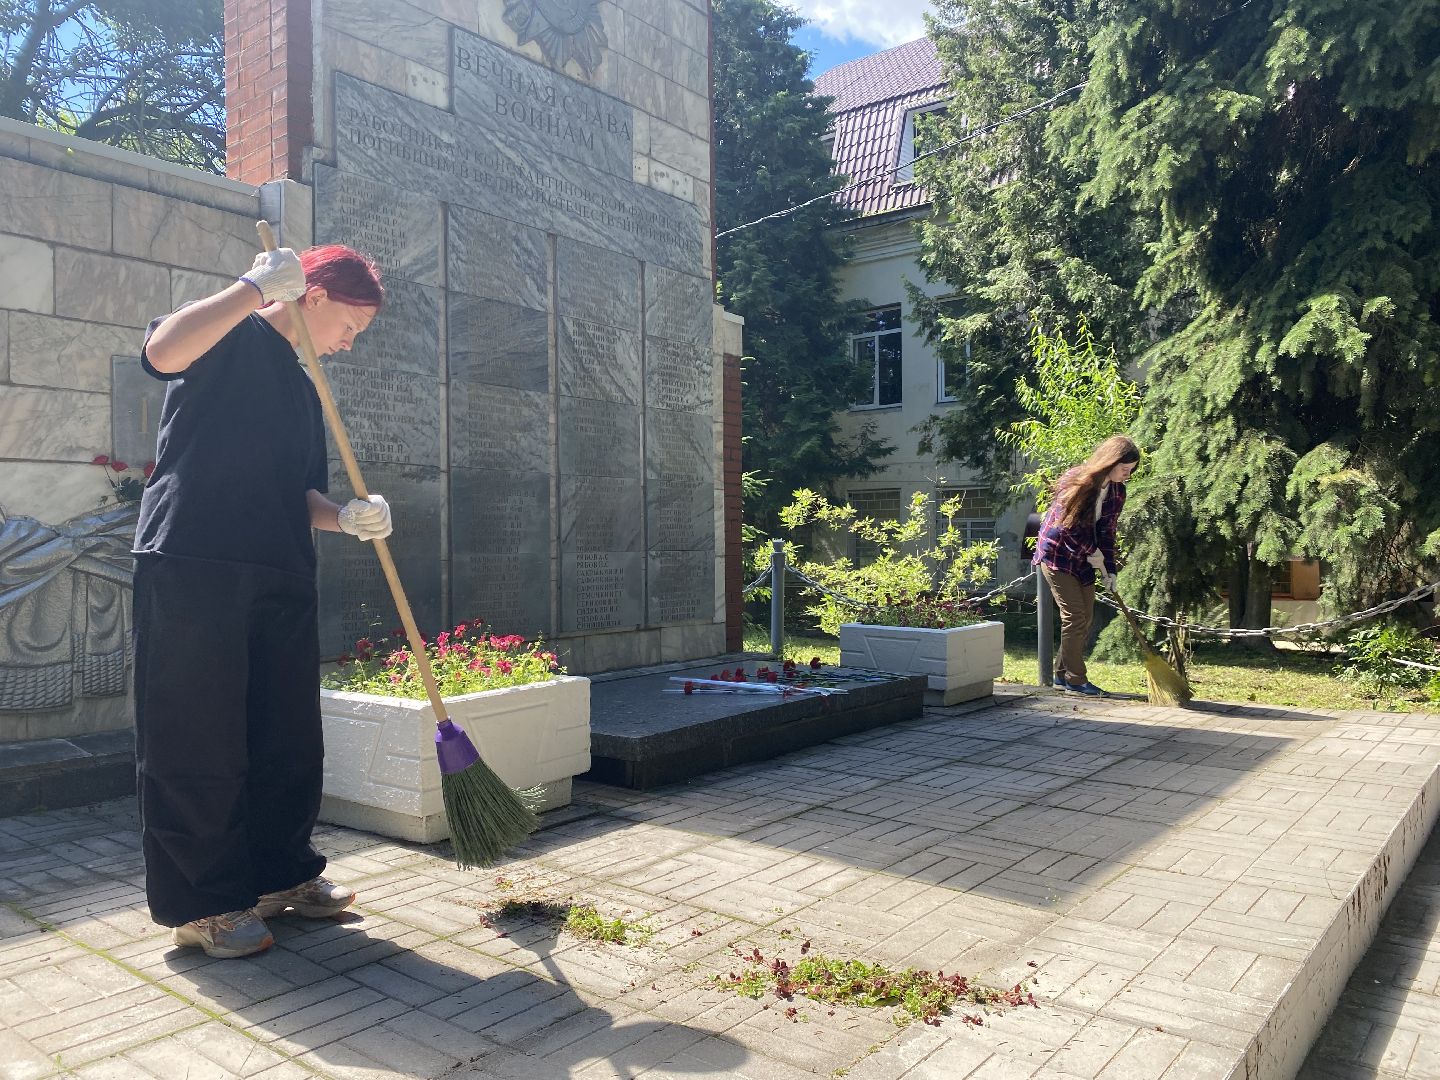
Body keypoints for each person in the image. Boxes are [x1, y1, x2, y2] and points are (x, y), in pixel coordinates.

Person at [133, 242, 392, 958]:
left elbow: (296, 493)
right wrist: (250, 287)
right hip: (194, 561)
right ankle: (204, 905)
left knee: (284, 734)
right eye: (350, 325)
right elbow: (161, 351)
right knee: (198, 735)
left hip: (277, 567)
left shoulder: (302, 388)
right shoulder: (227, 333)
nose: (347, 342)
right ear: (313, 295)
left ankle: (281, 875)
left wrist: (345, 517)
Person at [1031, 434, 1141, 696]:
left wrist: (1110, 568)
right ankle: (1076, 680)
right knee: (1075, 618)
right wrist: (1093, 552)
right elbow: (1064, 528)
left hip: (1084, 558)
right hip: (1057, 555)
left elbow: (1107, 530)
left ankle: (1060, 675)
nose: (1127, 476)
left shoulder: (1117, 491)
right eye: (1124, 469)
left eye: (1131, 471)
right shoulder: (1076, 480)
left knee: (1085, 619)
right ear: (1109, 462)